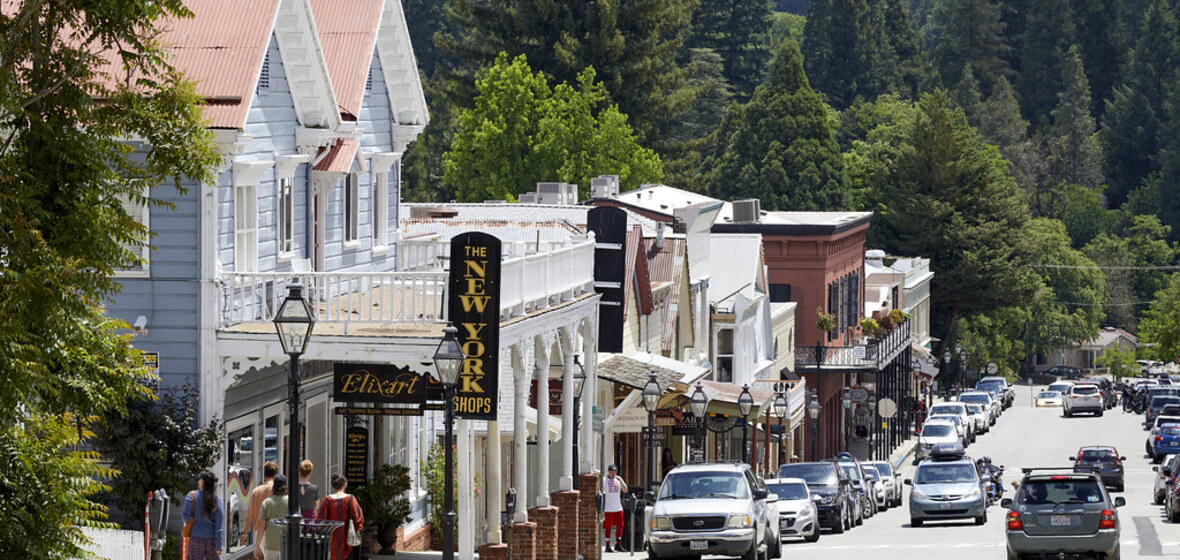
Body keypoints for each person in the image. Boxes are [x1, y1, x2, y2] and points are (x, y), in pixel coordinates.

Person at [316, 474, 364, 560]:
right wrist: (358, 530)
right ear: (345, 485)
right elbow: (358, 517)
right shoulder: (350, 499)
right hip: (347, 538)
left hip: (331, 539)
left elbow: (320, 521)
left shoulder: (326, 500)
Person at [183, 471, 225, 560]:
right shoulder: (218, 501)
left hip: (196, 538)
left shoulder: (191, 496)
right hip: (212, 541)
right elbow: (219, 526)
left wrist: (190, 522)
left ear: (202, 481)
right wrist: (219, 546)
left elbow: (185, 515)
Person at [242, 461, 279, 553]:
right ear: (276, 475)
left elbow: (249, 515)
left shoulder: (257, 491)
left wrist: (245, 535)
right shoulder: (278, 491)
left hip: (259, 532)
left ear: (264, 475)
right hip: (276, 530)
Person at [256, 475, 289, 560]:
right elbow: (298, 525)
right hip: (286, 543)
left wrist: (257, 546)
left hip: (270, 543)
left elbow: (261, 527)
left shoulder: (266, 502)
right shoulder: (292, 503)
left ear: (274, 487)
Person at [602, 464, 628, 553]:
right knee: (608, 527)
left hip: (618, 507)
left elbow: (625, 490)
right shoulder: (604, 480)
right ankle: (608, 545)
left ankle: (618, 544)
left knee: (620, 524)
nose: (613, 473)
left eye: (615, 471)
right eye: (612, 471)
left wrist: (620, 480)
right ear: (608, 471)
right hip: (608, 508)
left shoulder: (618, 480)